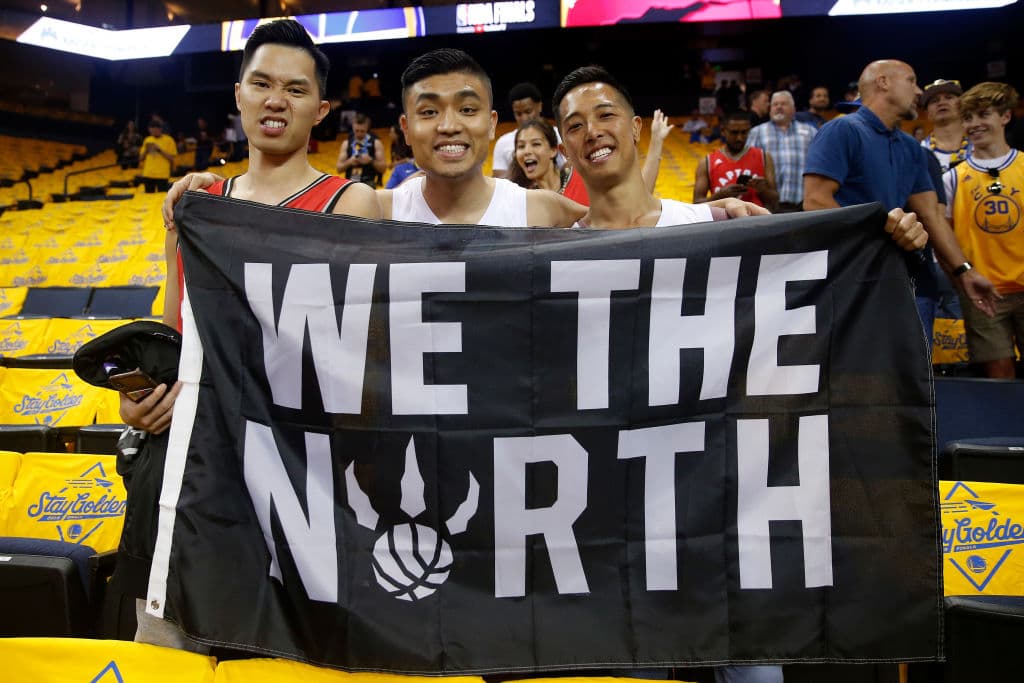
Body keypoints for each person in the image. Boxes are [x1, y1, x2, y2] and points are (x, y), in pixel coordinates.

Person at [120, 18, 380, 653]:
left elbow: (358, 360)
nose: (275, 100)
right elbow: (173, 335)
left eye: (295, 89)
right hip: (190, 469)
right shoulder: (195, 207)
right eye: (261, 84)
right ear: (238, 95)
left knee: (276, 656)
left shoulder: (351, 205)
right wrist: (141, 400)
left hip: (293, 474)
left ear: (321, 110)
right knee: (169, 648)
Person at [803, 59, 999, 332]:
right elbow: (815, 202)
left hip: (903, 279)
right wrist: (880, 235)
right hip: (852, 280)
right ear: (883, 82)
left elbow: (931, 216)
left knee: (915, 360)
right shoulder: (842, 129)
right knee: (866, 359)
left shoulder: (911, 147)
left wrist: (964, 271)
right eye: (911, 81)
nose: (918, 91)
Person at [943, 82, 1023, 378]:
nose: (974, 124)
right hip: (983, 291)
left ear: (1005, 117)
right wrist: (961, 282)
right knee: (999, 377)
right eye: (968, 118)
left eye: (983, 114)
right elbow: (944, 239)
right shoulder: (953, 178)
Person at [693, 109, 779, 211]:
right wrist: (720, 196)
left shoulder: (764, 157)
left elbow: (775, 201)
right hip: (723, 220)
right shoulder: (707, 162)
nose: (739, 138)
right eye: (734, 133)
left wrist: (763, 190)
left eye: (744, 132)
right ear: (723, 131)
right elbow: (696, 205)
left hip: (756, 219)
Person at [746, 91, 817, 212]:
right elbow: (748, 165)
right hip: (768, 205)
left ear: (794, 109)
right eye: (775, 104)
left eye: (783, 104)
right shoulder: (757, 132)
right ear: (770, 109)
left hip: (803, 204)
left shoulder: (810, 131)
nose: (779, 107)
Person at [491, 82, 551, 179]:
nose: (524, 118)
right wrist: (518, 163)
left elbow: (569, 171)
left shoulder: (557, 135)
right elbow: (498, 182)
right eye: (518, 114)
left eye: (528, 111)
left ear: (539, 106)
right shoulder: (503, 143)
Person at [920, 78, 971, 172]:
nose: (941, 103)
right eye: (934, 101)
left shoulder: (981, 144)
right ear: (927, 114)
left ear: (963, 105)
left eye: (949, 97)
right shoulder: (919, 152)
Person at [336, 112, 387, 187]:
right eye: (357, 131)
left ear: (367, 128)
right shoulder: (346, 143)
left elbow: (383, 169)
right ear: (353, 127)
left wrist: (370, 160)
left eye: (362, 131)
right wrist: (350, 161)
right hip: (350, 182)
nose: (359, 134)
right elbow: (339, 169)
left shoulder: (376, 143)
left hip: (368, 182)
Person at [139, 119, 177, 193]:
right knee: (148, 197)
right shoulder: (147, 139)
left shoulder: (169, 140)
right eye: (152, 130)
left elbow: (172, 159)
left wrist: (159, 150)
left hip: (162, 175)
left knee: (162, 197)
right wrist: (146, 150)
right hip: (148, 174)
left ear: (160, 129)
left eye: (156, 130)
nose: (154, 132)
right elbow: (141, 159)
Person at [385, 122, 419, 189]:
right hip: (399, 170)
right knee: (389, 188)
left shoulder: (407, 144)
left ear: (397, 134)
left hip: (411, 170)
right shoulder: (393, 145)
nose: (389, 134)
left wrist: (398, 163)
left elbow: (412, 160)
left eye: (391, 132)